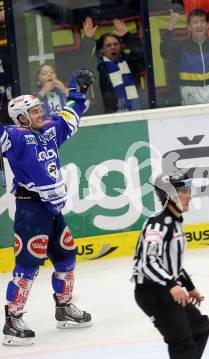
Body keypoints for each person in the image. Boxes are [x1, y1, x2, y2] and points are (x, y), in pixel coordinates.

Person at [1, 69, 95, 346]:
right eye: (34, 111)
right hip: (31, 210)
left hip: (53, 211)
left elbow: (71, 115)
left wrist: (80, 93)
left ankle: (64, 308)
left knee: (66, 256)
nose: (41, 113)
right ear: (21, 117)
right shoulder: (15, 137)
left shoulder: (51, 129)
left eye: (40, 108)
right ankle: (12, 319)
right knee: (28, 264)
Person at [132, 172, 209, 359]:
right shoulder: (157, 224)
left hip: (165, 289)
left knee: (199, 327)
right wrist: (172, 285)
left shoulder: (174, 223)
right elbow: (148, 262)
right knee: (183, 344)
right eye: (184, 191)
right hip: (153, 292)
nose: (189, 196)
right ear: (169, 196)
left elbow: (171, 264)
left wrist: (189, 287)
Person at [161, 8, 209, 105]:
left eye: (202, 21)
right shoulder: (182, 48)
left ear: (208, 25)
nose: (199, 25)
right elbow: (164, 51)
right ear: (189, 27)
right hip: (191, 111)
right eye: (195, 22)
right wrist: (170, 26)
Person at [82, 17, 146, 113]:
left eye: (115, 44)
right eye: (108, 45)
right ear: (102, 50)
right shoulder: (98, 67)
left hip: (137, 112)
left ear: (120, 47)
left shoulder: (130, 61)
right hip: (111, 115)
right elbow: (82, 61)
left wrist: (126, 36)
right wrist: (88, 39)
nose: (113, 47)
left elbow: (142, 55)